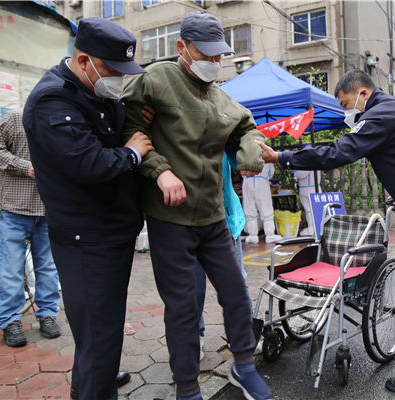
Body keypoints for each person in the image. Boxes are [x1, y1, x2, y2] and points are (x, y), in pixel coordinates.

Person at [255, 69, 395, 397]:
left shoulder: (378, 115)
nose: (349, 112)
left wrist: (282, 156)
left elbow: (337, 153)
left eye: (347, 103)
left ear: (361, 93)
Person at [120, 11, 271, 400]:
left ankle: (243, 366)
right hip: (170, 217)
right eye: (206, 54)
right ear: (181, 48)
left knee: (237, 292)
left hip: (213, 216)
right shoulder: (155, 80)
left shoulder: (222, 96)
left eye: (220, 55)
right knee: (184, 307)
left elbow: (246, 126)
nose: (215, 63)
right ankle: (187, 388)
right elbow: (129, 129)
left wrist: (250, 146)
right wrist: (159, 170)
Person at [23, 18, 155, 400]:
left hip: (108, 231)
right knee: (100, 334)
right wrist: (132, 152)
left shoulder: (91, 91)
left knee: (100, 332)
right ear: (84, 61)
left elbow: (109, 126)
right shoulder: (53, 99)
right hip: (87, 237)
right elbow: (88, 163)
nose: (120, 80)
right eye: (114, 71)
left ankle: (88, 384)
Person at [0, 109, 61, 347]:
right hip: (15, 209)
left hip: (48, 209)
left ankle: (47, 314)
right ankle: (10, 320)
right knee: (12, 269)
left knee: (47, 267)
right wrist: (23, 166)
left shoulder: (58, 122)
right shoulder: (14, 118)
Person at [197, 150, 252, 361]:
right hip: (188, 224)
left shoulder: (223, 123)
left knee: (236, 284)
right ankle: (195, 335)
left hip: (226, 220)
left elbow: (242, 154)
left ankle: (243, 338)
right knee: (193, 287)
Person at [243, 163, 282, 244]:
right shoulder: (265, 152)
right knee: (266, 208)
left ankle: (253, 236)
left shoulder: (243, 151)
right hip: (262, 181)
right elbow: (271, 172)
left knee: (249, 209)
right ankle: (270, 235)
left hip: (247, 181)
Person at [294, 169, 322, 237]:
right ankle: (312, 227)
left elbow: (302, 174)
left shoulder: (309, 160)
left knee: (311, 210)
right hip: (308, 188)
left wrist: (295, 171)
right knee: (309, 210)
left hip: (309, 189)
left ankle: (313, 228)